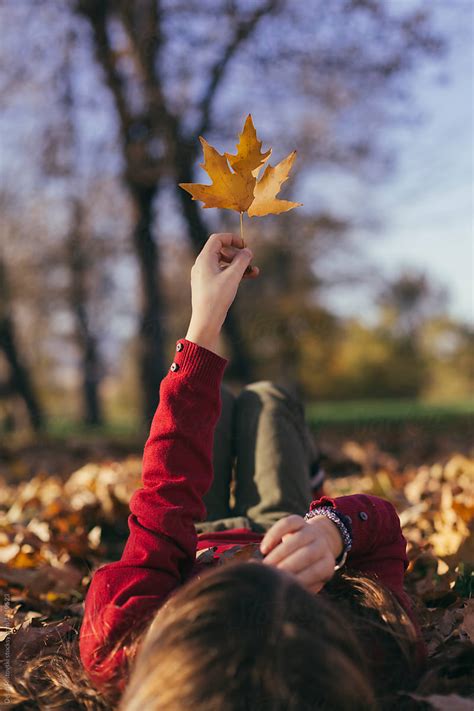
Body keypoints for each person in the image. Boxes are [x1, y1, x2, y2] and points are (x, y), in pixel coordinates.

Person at [78, 234, 426, 711]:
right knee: (268, 399)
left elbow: (167, 496)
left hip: (188, 540)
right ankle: (311, 483)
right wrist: (331, 533)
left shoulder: (123, 645)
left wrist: (203, 327)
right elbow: (384, 529)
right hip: (277, 526)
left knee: (214, 404)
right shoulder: (370, 652)